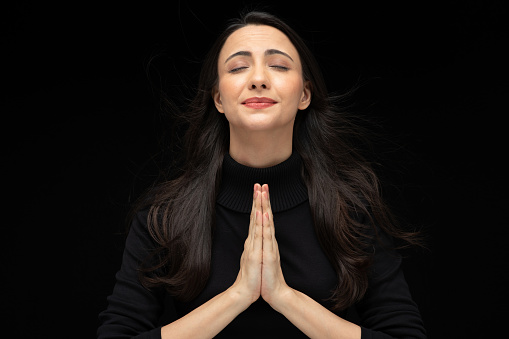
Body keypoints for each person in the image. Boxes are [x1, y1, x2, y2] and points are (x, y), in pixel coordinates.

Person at [98, 11, 427, 339]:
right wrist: (237, 296)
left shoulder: (352, 210)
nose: (258, 79)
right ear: (218, 99)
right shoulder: (164, 217)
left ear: (304, 95)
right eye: (238, 67)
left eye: (280, 66)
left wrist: (284, 298)